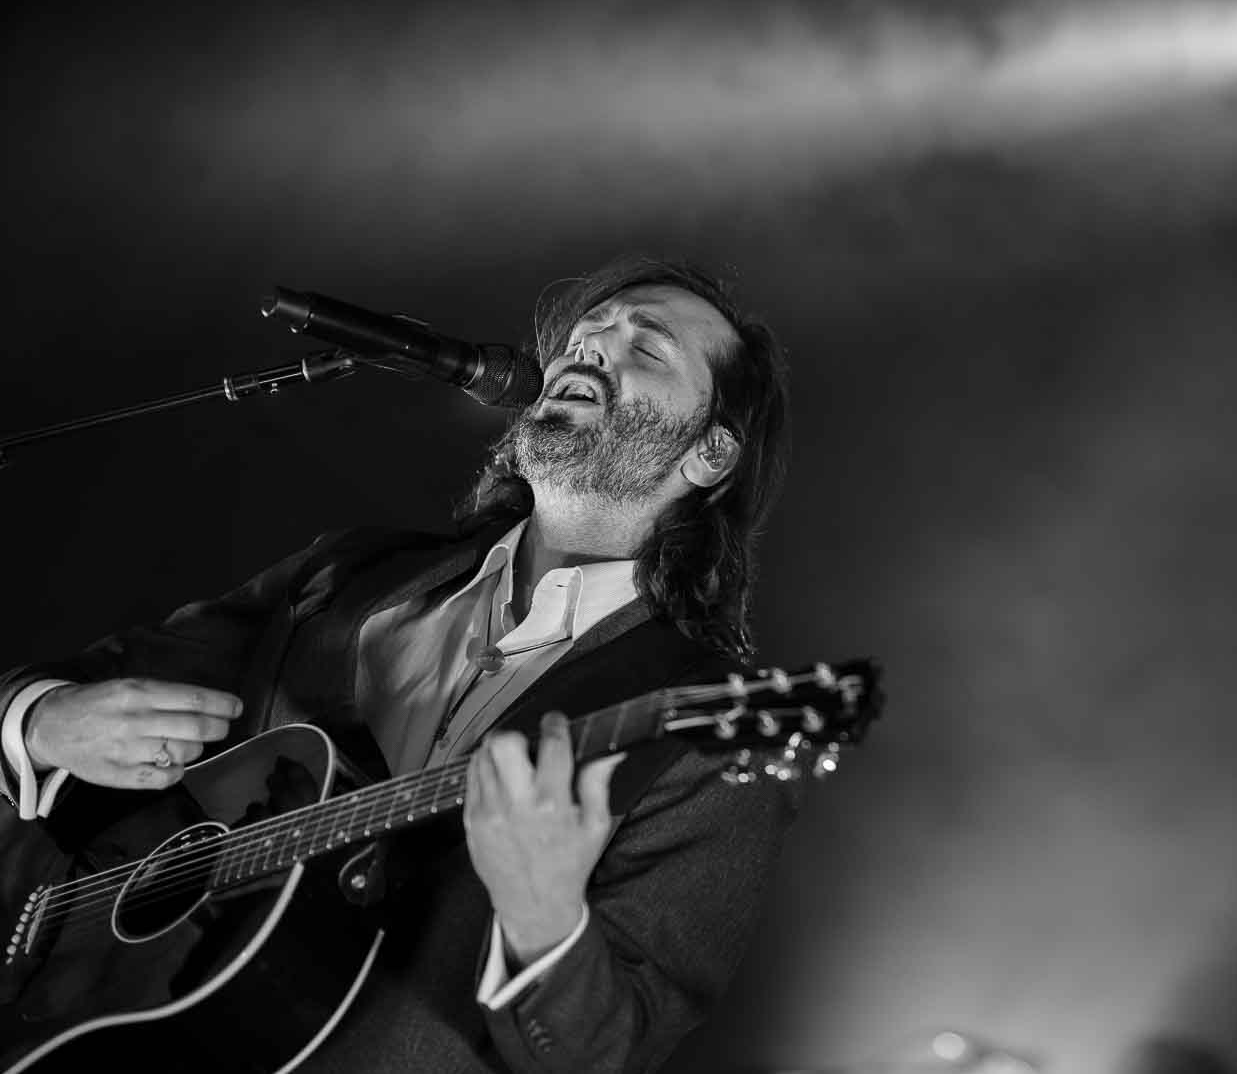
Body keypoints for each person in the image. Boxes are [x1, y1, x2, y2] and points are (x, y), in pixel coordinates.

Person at [0, 257, 797, 1073]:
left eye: (646, 348)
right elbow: (88, 686)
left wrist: (545, 919)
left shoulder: (708, 730)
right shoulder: (347, 574)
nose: (588, 349)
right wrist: (38, 721)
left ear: (709, 455)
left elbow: (611, 1046)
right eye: (584, 333)